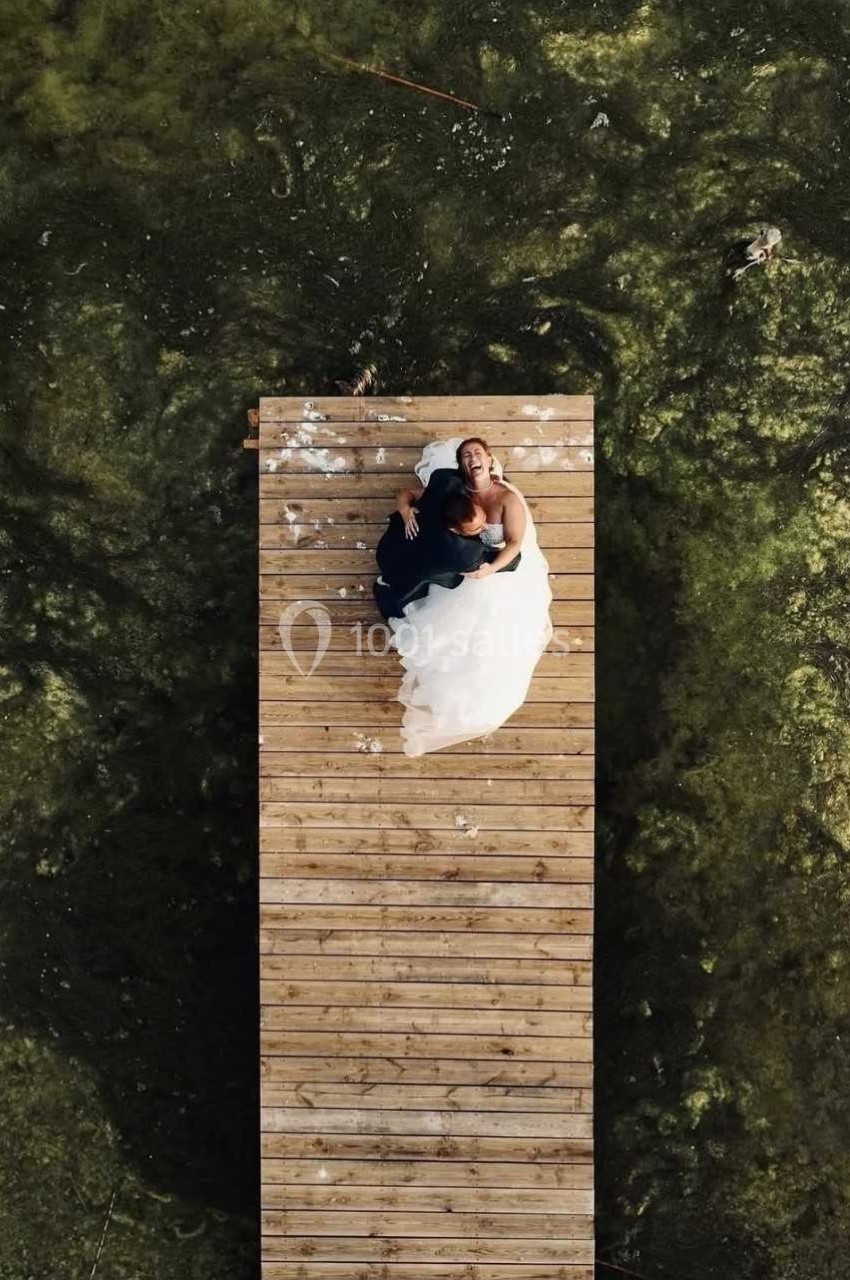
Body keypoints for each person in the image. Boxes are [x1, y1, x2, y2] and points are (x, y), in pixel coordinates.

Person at [386, 436, 553, 756]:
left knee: (496, 641)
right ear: (462, 464)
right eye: (465, 455)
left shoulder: (507, 499)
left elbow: (515, 544)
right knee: (451, 639)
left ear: (489, 460)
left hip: (498, 570)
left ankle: (479, 700)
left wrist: (490, 571)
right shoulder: (456, 492)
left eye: (477, 453)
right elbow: (410, 496)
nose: (471, 458)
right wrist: (406, 510)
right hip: (465, 569)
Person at [373, 463, 518, 622]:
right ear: (455, 531)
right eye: (476, 529)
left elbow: (408, 494)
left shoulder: (443, 489)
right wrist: (495, 565)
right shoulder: (463, 552)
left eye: (483, 518)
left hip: (388, 547)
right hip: (402, 572)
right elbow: (514, 560)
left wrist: (406, 510)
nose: (485, 527)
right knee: (402, 592)